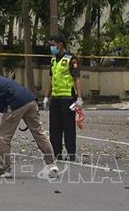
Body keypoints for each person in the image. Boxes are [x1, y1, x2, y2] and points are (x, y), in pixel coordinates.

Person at [43, 33, 83, 162]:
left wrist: (79, 98)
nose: (52, 47)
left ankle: (71, 154)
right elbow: (51, 79)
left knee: (68, 127)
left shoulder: (71, 59)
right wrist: (46, 96)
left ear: (60, 44)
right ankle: (56, 153)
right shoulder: (54, 60)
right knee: (54, 128)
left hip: (68, 98)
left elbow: (77, 79)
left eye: (53, 45)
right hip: (55, 98)